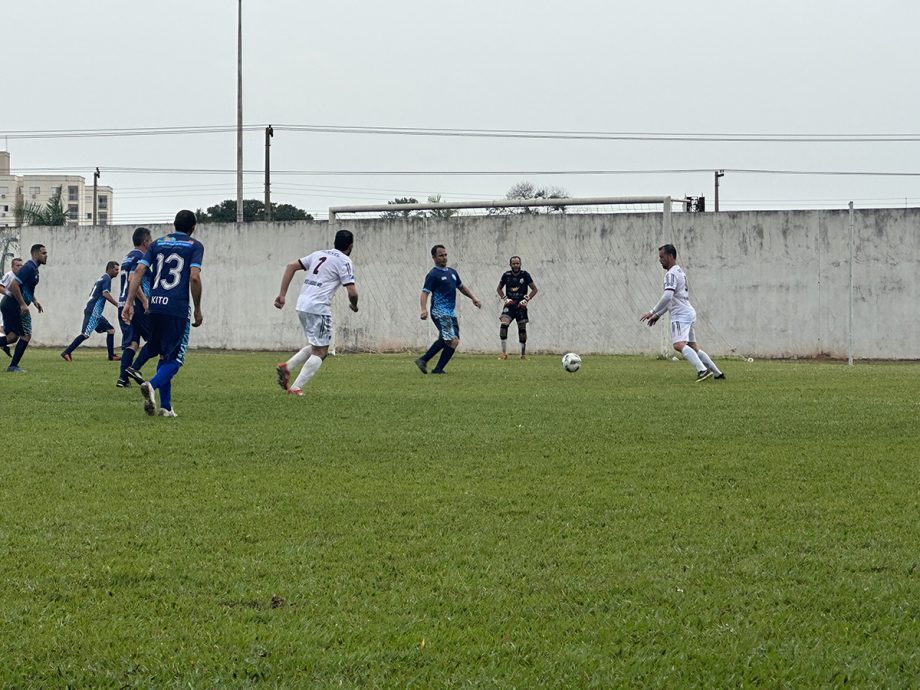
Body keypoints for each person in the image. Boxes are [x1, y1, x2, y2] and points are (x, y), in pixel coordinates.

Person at [122, 210, 204, 417]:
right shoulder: (195, 246)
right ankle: (152, 385)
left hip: (155, 305)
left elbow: (138, 272)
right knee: (176, 358)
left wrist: (129, 303)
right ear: (193, 227)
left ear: (174, 225)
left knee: (161, 352)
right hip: (177, 308)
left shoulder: (157, 244)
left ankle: (166, 407)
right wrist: (198, 309)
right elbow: (194, 278)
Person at [273, 229, 358, 396]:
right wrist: (354, 305)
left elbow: (291, 266)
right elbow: (352, 292)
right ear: (350, 246)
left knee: (316, 345)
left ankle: (287, 367)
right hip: (318, 307)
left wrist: (282, 295)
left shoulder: (318, 254)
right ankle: (296, 388)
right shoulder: (345, 261)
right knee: (321, 351)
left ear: (334, 242)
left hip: (302, 304)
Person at [640, 243, 724, 382]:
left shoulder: (671, 274)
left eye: (662, 257)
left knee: (678, 344)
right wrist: (658, 315)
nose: (660, 260)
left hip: (681, 315)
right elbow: (672, 299)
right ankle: (717, 373)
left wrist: (652, 311)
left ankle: (702, 370)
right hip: (688, 312)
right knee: (693, 347)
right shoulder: (680, 272)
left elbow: (667, 296)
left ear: (670, 256)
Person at [415, 244, 481, 374]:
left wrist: (474, 298)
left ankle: (435, 367)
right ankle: (424, 360)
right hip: (440, 312)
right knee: (450, 339)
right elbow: (425, 293)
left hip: (450, 312)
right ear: (434, 258)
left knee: (453, 341)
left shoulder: (452, 272)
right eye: (441, 255)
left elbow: (461, 287)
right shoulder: (433, 275)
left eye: (445, 255)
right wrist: (423, 309)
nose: (444, 258)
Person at [60, 261, 122, 362]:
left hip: (95, 312)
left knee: (111, 330)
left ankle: (111, 356)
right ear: (109, 269)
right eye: (116, 269)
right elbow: (105, 294)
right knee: (85, 334)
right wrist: (117, 305)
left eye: (118, 270)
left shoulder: (102, 278)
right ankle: (67, 352)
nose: (117, 272)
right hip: (93, 311)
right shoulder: (106, 279)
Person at [0, 244, 47, 373]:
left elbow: (27, 289)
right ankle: (13, 366)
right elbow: (14, 285)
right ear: (35, 254)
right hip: (13, 305)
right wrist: (22, 304)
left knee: (13, 337)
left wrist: (35, 301)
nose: (46, 255)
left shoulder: (34, 269)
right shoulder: (29, 267)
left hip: (11, 305)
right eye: (43, 253)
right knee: (26, 335)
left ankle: (13, 366)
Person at [115, 227, 152, 387]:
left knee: (132, 343)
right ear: (145, 242)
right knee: (156, 340)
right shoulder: (140, 256)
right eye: (150, 240)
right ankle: (135, 369)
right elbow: (133, 279)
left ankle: (123, 379)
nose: (151, 243)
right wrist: (144, 300)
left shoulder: (127, 257)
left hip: (123, 304)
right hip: (134, 306)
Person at [496, 255, 538, 360]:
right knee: (503, 325)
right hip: (510, 306)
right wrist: (505, 298)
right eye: (513, 263)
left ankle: (523, 355)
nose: (515, 265)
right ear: (510, 264)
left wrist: (527, 299)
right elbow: (499, 289)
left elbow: (534, 289)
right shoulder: (506, 275)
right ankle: (504, 353)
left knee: (522, 330)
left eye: (517, 263)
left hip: (520, 306)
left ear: (520, 264)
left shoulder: (525, 275)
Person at [0, 257, 24, 357]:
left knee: (13, 335)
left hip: (16, 306)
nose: (19, 267)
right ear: (12, 267)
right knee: (14, 333)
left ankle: (3, 344)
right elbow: (0, 287)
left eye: (21, 265)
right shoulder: (9, 275)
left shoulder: (22, 276)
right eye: (17, 265)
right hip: (7, 305)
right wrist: (9, 294)